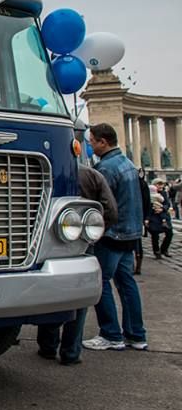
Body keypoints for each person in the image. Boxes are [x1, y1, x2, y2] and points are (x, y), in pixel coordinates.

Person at [36, 164, 118, 365]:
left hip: (48, 239)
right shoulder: (91, 174)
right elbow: (110, 210)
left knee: (51, 290)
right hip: (81, 239)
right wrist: (91, 233)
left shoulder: (51, 169)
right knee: (79, 300)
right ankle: (71, 351)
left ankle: (48, 345)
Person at [83, 123, 147, 351]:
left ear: (103, 142)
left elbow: (103, 205)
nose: (90, 145)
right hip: (130, 233)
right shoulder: (129, 164)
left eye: (92, 141)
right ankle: (136, 335)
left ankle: (111, 334)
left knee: (100, 283)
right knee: (127, 284)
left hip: (112, 234)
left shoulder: (106, 168)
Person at [145, 194, 172, 260]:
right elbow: (147, 208)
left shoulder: (164, 193)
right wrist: (147, 219)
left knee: (169, 233)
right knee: (155, 235)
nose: (160, 186)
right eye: (159, 184)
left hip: (164, 218)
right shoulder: (150, 195)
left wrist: (162, 208)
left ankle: (164, 249)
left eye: (161, 184)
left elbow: (167, 204)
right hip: (154, 219)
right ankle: (157, 252)